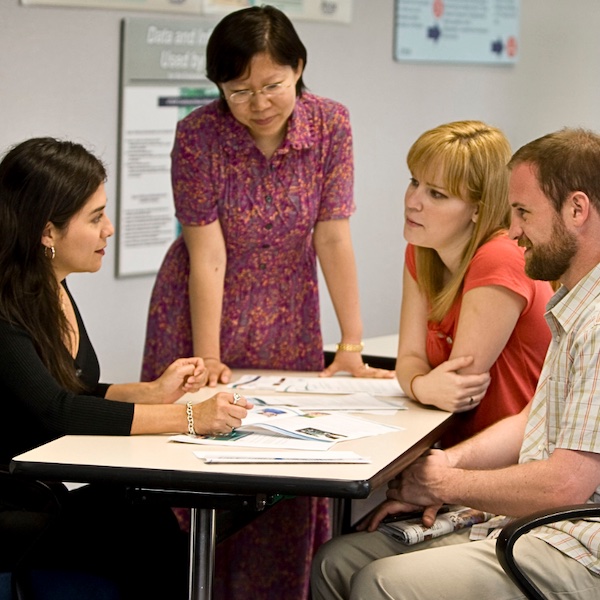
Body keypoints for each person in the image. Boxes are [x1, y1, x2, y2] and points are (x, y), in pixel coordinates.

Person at [141, 6, 389, 598]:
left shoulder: (331, 124)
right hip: (200, 302)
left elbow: (332, 237)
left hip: (288, 306)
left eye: (272, 85)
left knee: (283, 465)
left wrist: (351, 345)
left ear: (298, 69)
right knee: (198, 460)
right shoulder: (198, 134)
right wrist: (208, 360)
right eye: (239, 90)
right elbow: (209, 255)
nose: (258, 102)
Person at [311, 127, 600, 600]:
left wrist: (447, 482)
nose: (514, 231)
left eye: (524, 213)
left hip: (575, 543)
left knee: (379, 583)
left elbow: (566, 485)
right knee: (336, 563)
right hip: (530, 515)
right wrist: (447, 467)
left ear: (577, 210)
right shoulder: (572, 304)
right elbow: (533, 421)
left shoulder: (596, 321)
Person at [0, 137, 252, 599]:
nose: (109, 229)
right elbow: (56, 412)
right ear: (46, 232)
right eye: (95, 218)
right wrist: (192, 418)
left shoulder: (50, 286)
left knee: (149, 517)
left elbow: (73, 389)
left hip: (45, 494)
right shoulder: (3, 307)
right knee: (147, 525)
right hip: (15, 509)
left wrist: (151, 393)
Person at [396, 120, 553, 447]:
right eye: (414, 182)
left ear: (478, 211)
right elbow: (408, 359)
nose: (413, 201)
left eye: (436, 194)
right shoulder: (421, 250)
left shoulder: (500, 256)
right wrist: (420, 386)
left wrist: (417, 382)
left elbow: (459, 388)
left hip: (516, 461)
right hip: (459, 451)